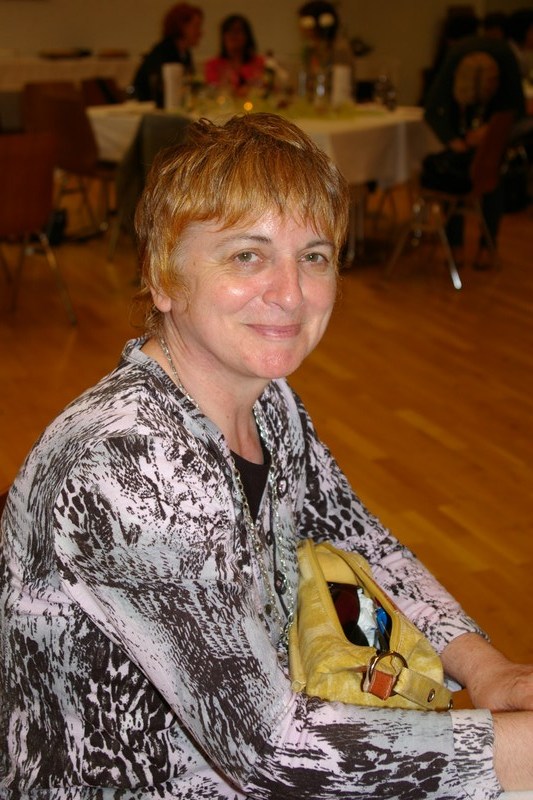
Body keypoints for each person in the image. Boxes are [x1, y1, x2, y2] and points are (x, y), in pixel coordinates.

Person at [1, 112, 533, 799]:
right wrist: (509, 750)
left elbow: (353, 539)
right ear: (163, 279)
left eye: (313, 256)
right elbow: (268, 748)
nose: (290, 293)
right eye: (246, 256)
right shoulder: (126, 468)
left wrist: (485, 669)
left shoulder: (265, 399)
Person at [423, 33, 525, 269]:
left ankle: (488, 245)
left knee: (490, 175)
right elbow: (431, 111)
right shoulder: (451, 65)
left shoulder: (506, 63)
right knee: (453, 172)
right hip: (458, 122)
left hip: (495, 120)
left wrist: (488, 131)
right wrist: (452, 140)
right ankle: (455, 245)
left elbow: (517, 110)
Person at [133, 2, 203, 106]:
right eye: (196, 26)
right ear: (182, 27)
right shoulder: (163, 51)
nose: (200, 32)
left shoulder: (185, 53)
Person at [204, 14, 265, 96]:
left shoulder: (259, 63)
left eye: (238, 31)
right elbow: (213, 92)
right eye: (229, 31)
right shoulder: (213, 65)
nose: (233, 35)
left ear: (247, 36)